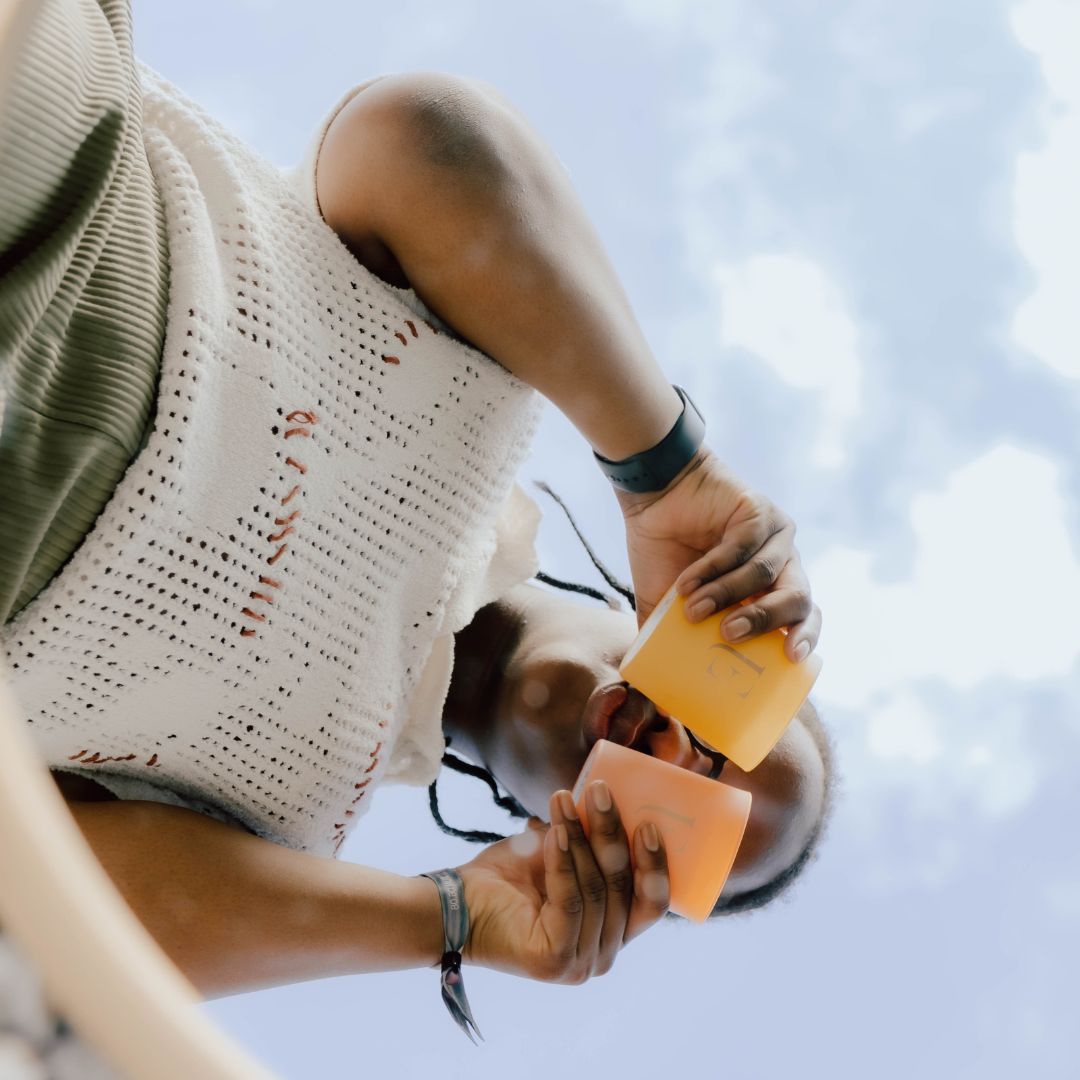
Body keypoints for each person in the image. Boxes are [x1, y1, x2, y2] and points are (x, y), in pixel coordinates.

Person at [0, 0, 826, 1010]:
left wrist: (455, 918)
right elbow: (410, 136)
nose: (680, 748)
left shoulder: (276, 836)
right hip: (56, 167)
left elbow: (49, 918)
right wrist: (670, 475)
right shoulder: (494, 379)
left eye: (677, 822)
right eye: (730, 712)